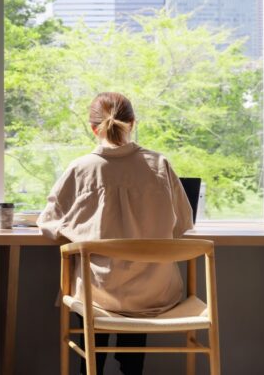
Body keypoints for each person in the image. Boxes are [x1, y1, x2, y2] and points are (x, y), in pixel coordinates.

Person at [38, 92, 194, 375]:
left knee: (100, 285)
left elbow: (48, 224)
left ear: (93, 127)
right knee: (140, 281)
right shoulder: (159, 165)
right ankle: (131, 369)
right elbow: (182, 224)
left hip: (97, 296)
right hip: (154, 295)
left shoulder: (81, 168)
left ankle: (90, 366)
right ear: (132, 123)